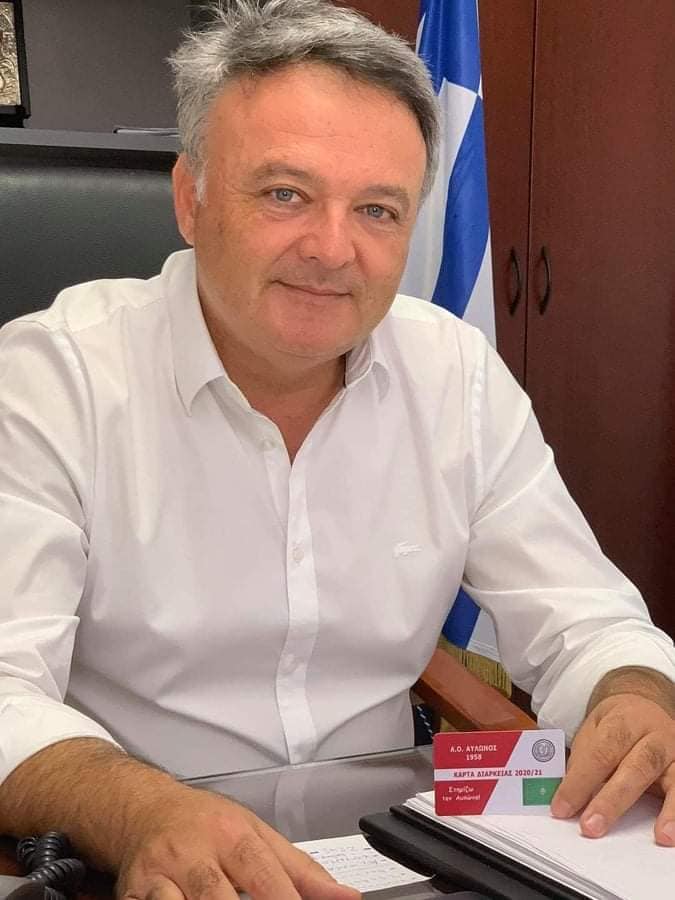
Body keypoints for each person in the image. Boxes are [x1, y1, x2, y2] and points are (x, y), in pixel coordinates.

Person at [0, 1, 674, 898]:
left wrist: (634, 695)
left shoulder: (454, 373)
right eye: (285, 194)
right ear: (191, 198)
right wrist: (142, 811)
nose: (332, 249)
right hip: (135, 846)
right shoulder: (52, 377)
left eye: (378, 210)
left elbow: (586, 618)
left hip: (392, 848)